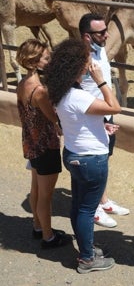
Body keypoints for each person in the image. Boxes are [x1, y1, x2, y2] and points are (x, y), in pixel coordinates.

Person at [45, 38, 121, 273]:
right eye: (87, 63)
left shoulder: (62, 93)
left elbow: (79, 119)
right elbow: (115, 107)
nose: (91, 66)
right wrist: (102, 81)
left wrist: (102, 127)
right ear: (77, 67)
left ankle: (86, 247)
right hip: (91, 159)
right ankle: (87, 259)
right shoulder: (79, 97)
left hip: (74, 154)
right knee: (87, 210)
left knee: (79, 206)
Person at [15, 39, 71, 249]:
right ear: (35, 61)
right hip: (45, 145)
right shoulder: (39, 90)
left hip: (30, 142)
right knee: (45, 196)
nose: (49, 61)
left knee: (36, 188)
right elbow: (53, 117)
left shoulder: (22, 84)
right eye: (46, 58)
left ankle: (38, 226)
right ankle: (48, 236)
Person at [79, 13, 129, 228]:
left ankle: (103, 200)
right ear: (87, 36)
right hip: (91, 118)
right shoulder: (81, 58)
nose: (107, 34)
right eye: (101, 32)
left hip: (105, 115)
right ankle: (94, 209)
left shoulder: (99, 51)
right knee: (93, 166)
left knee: (104, 160)